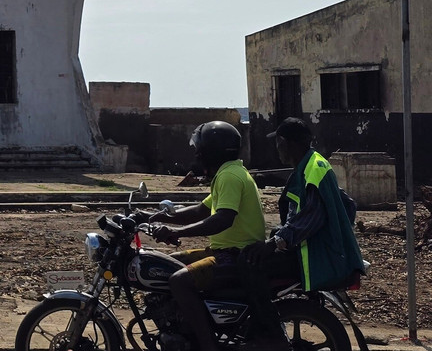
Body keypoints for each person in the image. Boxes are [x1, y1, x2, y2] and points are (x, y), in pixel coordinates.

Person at [149, 121, 268, 351]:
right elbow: (200, 211)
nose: (196, 153)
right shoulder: (229, 172)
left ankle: (207, 345)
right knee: (167, 262)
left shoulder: (229, 177)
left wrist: (177, 232)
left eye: (199, 148)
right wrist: (156, 217)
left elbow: (223, 219)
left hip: (235, 256)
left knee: (179, 281)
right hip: (226, 252)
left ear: (211, 150)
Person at [244, 117, 363, 291]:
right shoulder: (311, 164)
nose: (277, 149)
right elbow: (348, 204)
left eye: (277, 143)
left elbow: (311, 218)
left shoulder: (313, 169)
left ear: (285, 143)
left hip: (314, 255)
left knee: (248, 263)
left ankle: (265, 317)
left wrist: (274, 242)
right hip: (313, 247)